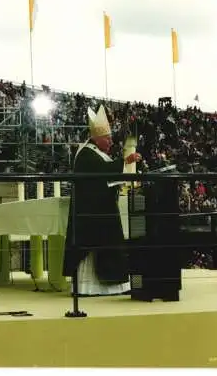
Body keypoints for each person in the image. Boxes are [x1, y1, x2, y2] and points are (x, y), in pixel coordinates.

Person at [63, 104, 142, 296]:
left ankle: (110, 286)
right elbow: (101, 174)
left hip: (99, 208)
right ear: (97, 138)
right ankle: (90, 288)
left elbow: (104, 175)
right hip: (91, 212)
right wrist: (126, 161)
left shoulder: (95, 153)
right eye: (107, 138)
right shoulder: (86, 154)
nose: (110, 142)